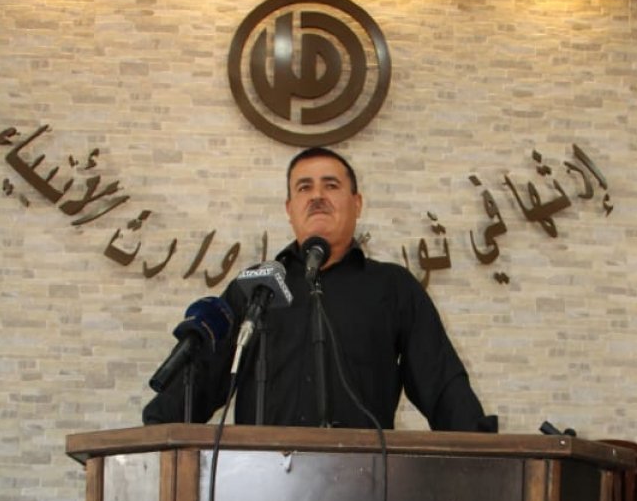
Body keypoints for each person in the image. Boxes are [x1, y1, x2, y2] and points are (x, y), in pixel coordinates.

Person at [143, 147, 497, 432]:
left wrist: (481, 451)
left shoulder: (393, 288)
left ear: (357, 203)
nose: (317, 196)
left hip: (366, 484)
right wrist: (156, 433)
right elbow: (200, 381)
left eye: (331, 186)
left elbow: (441, 383)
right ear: (289, 209)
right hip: (260, 485)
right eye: (304, 188)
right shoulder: (255, 288)